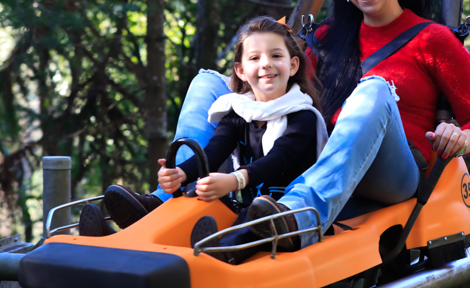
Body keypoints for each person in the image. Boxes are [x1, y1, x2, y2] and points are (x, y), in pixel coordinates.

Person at [237, 0, 470, 249]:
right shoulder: (324, 38)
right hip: (322, 155)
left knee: (374, 89)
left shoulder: (434, 40)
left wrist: (462, 138)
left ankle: (301, 215)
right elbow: (289, 97)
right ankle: (174, 191)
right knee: (210, 82)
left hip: (392, 171)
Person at [79, 17, 328, 258]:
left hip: (287, 214)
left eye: (276, 55)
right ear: (241, 71)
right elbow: (213, 152)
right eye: (255, 58)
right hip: (250, 209)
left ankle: (218, 251)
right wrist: (181, 174)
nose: (266, 64)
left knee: (249, 219)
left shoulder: (303, 117)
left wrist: (234, 181)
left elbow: (278, 159)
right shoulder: (238, 113)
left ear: (293, 65)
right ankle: (118, 242)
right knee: (197, 200)